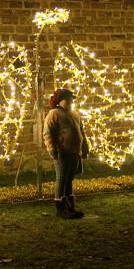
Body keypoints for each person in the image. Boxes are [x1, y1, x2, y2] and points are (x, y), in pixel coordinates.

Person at [43, 88, 89, 219]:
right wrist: (52, 150)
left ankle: (70, 206)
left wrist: (84, 147)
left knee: (69, 179)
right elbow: (48, 133)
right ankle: (60, 206)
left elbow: (81, 132)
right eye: (67, 99)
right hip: (62, 152)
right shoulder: (54, 114)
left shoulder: (75, 114)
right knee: (61, 179)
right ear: (59, 101)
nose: (70, 102)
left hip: (74, 152)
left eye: (71, 99)